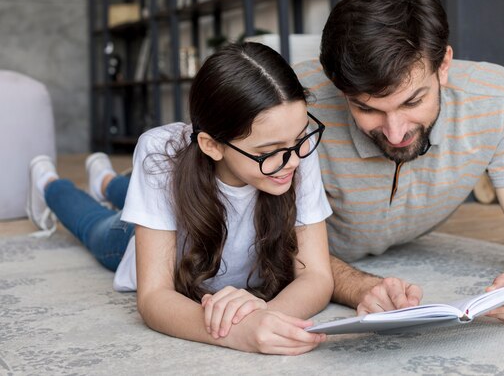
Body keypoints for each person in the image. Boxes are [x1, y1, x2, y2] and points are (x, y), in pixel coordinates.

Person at [294, 0, 504, 328]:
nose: (395, 133)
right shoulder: (298, 104)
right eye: (367, 109)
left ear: (443, 66)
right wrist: (357, 286)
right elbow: (270, 244)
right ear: (338, 87)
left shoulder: (496, 97)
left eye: (413, 101)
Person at [26, 42, 334, 355]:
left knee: (128, 189)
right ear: (212, 145)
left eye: (300, 138)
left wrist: (266, 317)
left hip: (186, 184)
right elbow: (153, 297)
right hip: (147, 237)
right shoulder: (159, 152)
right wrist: (237, 332)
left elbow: (318, 276)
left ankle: (107, 181)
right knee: (96, 227)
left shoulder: (293, 150)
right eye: (269, 152)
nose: (294, 161)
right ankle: (47, 182)